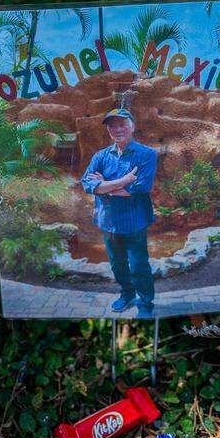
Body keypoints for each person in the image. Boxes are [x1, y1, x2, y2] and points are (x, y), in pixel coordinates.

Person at [80, 108, 158, 317]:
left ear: (132, 126)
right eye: (111, 125)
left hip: (135, 222)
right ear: (108, 131)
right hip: (109, 222)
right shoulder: (101, 156)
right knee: (117, 264)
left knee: (139, 264)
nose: (117, 129)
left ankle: (146, 303)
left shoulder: (147, 154)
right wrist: (122, 182)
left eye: (122, 124)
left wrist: (104, 185)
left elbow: (140, 188)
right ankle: (127, 294)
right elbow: (87, 183)